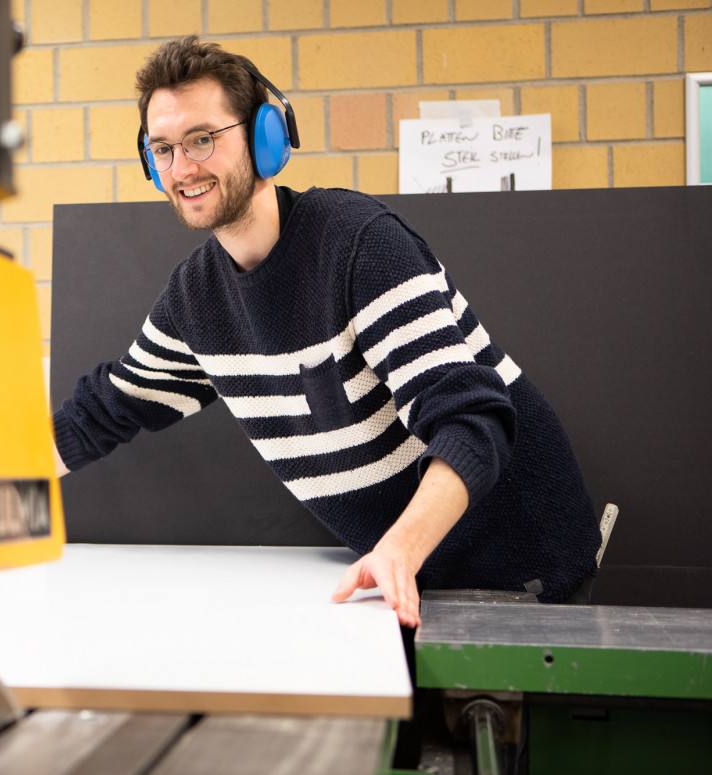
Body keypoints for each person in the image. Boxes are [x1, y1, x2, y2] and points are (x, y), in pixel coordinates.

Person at [50, 35, 601, 628]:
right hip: (407, 579)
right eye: (163, 148)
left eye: (202, 139)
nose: (182, 168)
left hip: (524, 571)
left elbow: (473, 421)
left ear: (265, 139)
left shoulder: (358, 244)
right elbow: (103, 412)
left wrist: (400, 549)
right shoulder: (196, 299)